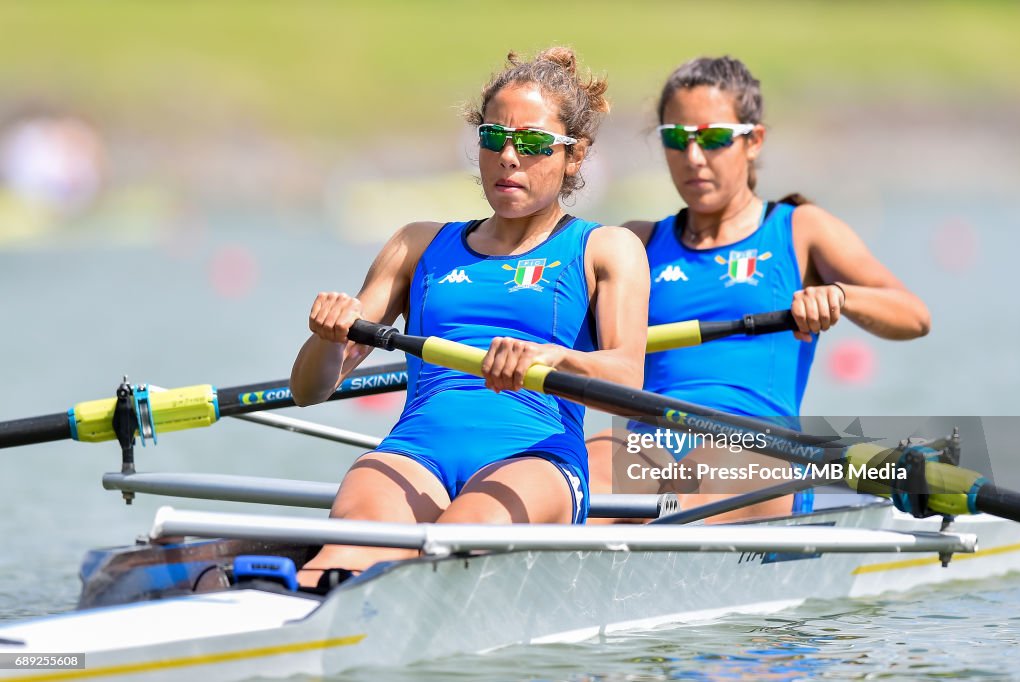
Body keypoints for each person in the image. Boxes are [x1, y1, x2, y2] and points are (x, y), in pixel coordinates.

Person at [290, 47, 649, 588]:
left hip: (536, 461)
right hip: (417, 453)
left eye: (531, 143)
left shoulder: (606, 249)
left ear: (575, 156)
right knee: (345, 553)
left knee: (451, 554)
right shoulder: (417, 244)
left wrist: (552, 359)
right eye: (492, 138)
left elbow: (628, 378)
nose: (508, 156)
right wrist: (326, 336)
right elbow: (308, 390)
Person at [587, 56, 930, 523]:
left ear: (754, 140)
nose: (693, 157)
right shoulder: (637, 242)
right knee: (582, 481)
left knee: (682, 500)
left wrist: (840, 297)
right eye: (676, 138)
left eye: (711, 138)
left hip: (757, 443)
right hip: (646, 438)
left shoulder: (799, 229)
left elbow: (913, 315)